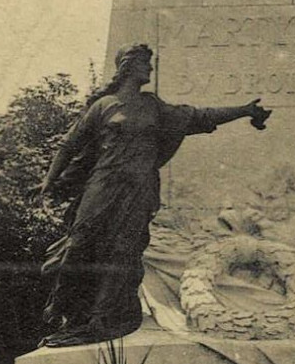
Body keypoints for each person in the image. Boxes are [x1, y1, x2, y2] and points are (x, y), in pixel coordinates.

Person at [39, 43, 272, 347]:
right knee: (79, 243)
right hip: (103, 186)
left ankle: (100, 318)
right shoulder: (103, 106)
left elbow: (199, 117)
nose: (150, 69)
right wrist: (48, 182)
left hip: (138, 190)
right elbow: (69, 146)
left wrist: (244, 110)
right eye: (145, 64)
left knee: (123, 251)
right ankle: (63, 309)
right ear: (127, 66)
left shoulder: (153, 106)